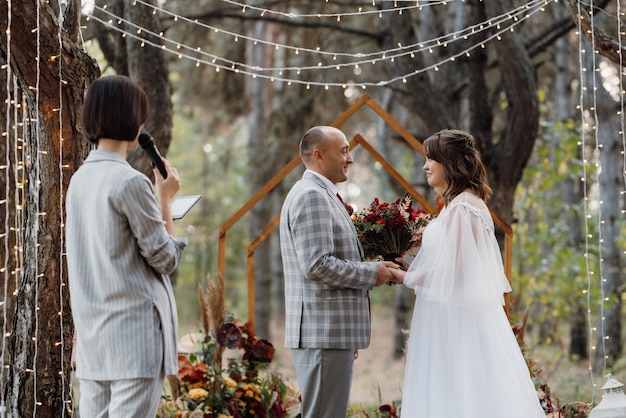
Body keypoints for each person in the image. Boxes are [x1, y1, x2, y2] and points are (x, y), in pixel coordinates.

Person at [399, 129, 545, 417]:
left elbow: (451, 273)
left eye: (431, 159)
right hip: (448, 314)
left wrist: (398, 276)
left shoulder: (463, 207)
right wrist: (405, 266)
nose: (425, 166)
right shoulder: (458, 205)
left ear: (450, 163)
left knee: (461, 391)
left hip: (456, 321)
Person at [66, 75, 187, 417]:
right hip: (134, 342)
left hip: (94, 342)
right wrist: (165, 199)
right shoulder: (131, 182)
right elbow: (164, 257)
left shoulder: (79, 180)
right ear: (132, 120)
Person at [279, 125, 405, 418]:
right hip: (322, 331)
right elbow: (317, 265)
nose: (350, 158)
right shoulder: (312, 196)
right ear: (319, 155)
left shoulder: (322, 194)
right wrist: (372, 273)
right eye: (344, 150)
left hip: (331, 333)